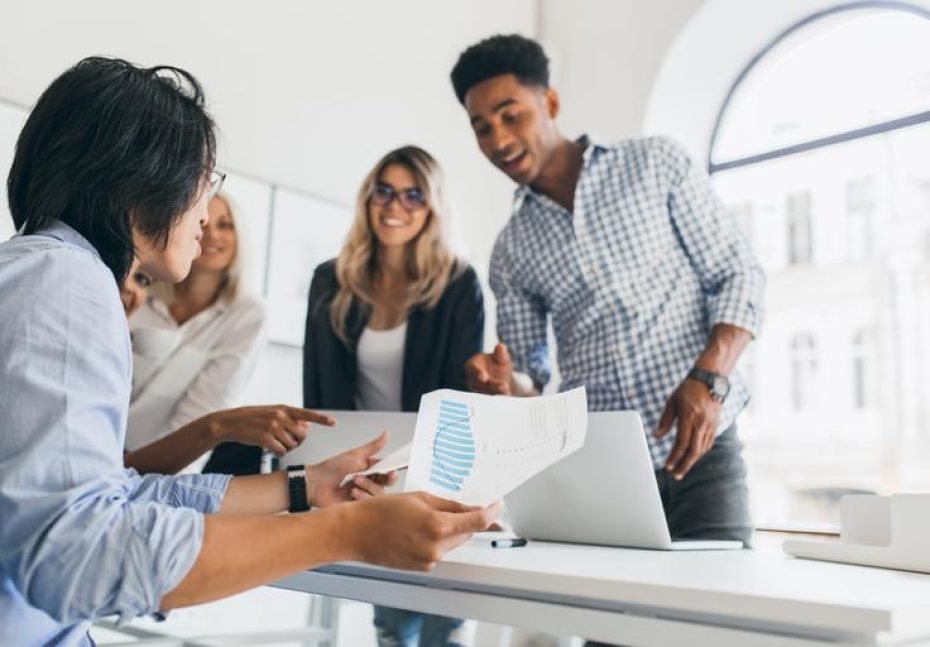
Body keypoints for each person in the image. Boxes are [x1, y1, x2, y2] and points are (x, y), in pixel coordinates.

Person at [0, 56, 499, 647]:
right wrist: (347, 531)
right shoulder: (65, 282)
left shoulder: (52, 273)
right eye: (207, 183)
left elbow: (116, 492)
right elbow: (76, 551)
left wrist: (304, 488)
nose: (208, 214)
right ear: (143, 179)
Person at [450, 35, 765, 548]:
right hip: (603, 469)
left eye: (511, 116)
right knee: (610, 625)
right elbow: (533, 374)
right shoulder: (512, 247)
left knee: (724, 621)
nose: (498, 140)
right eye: (481, 128)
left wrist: (709, 379)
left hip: (706, 452)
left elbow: (738, 274)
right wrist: (508, 385)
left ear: (549, 102)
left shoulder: (655, 164)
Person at [209, 145, 485, 647]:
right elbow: (318, 390)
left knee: (445, 620)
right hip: (363, 464)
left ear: (433, 207)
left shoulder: (458, 285)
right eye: (384, 191)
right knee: (391, 622)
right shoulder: (330, 281)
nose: (394, 205)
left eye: (412, 195)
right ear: (367, 199)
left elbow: (462, 397)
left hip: (434, 465)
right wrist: (324, 464)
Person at [123, 192, 278, 474]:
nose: (211, 235)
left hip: (165, 470)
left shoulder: (246, 315)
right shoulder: (139, 290)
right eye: (203, 222)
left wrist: (155, 476)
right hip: (98, 450)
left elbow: (204, 414)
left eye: (225, 225)